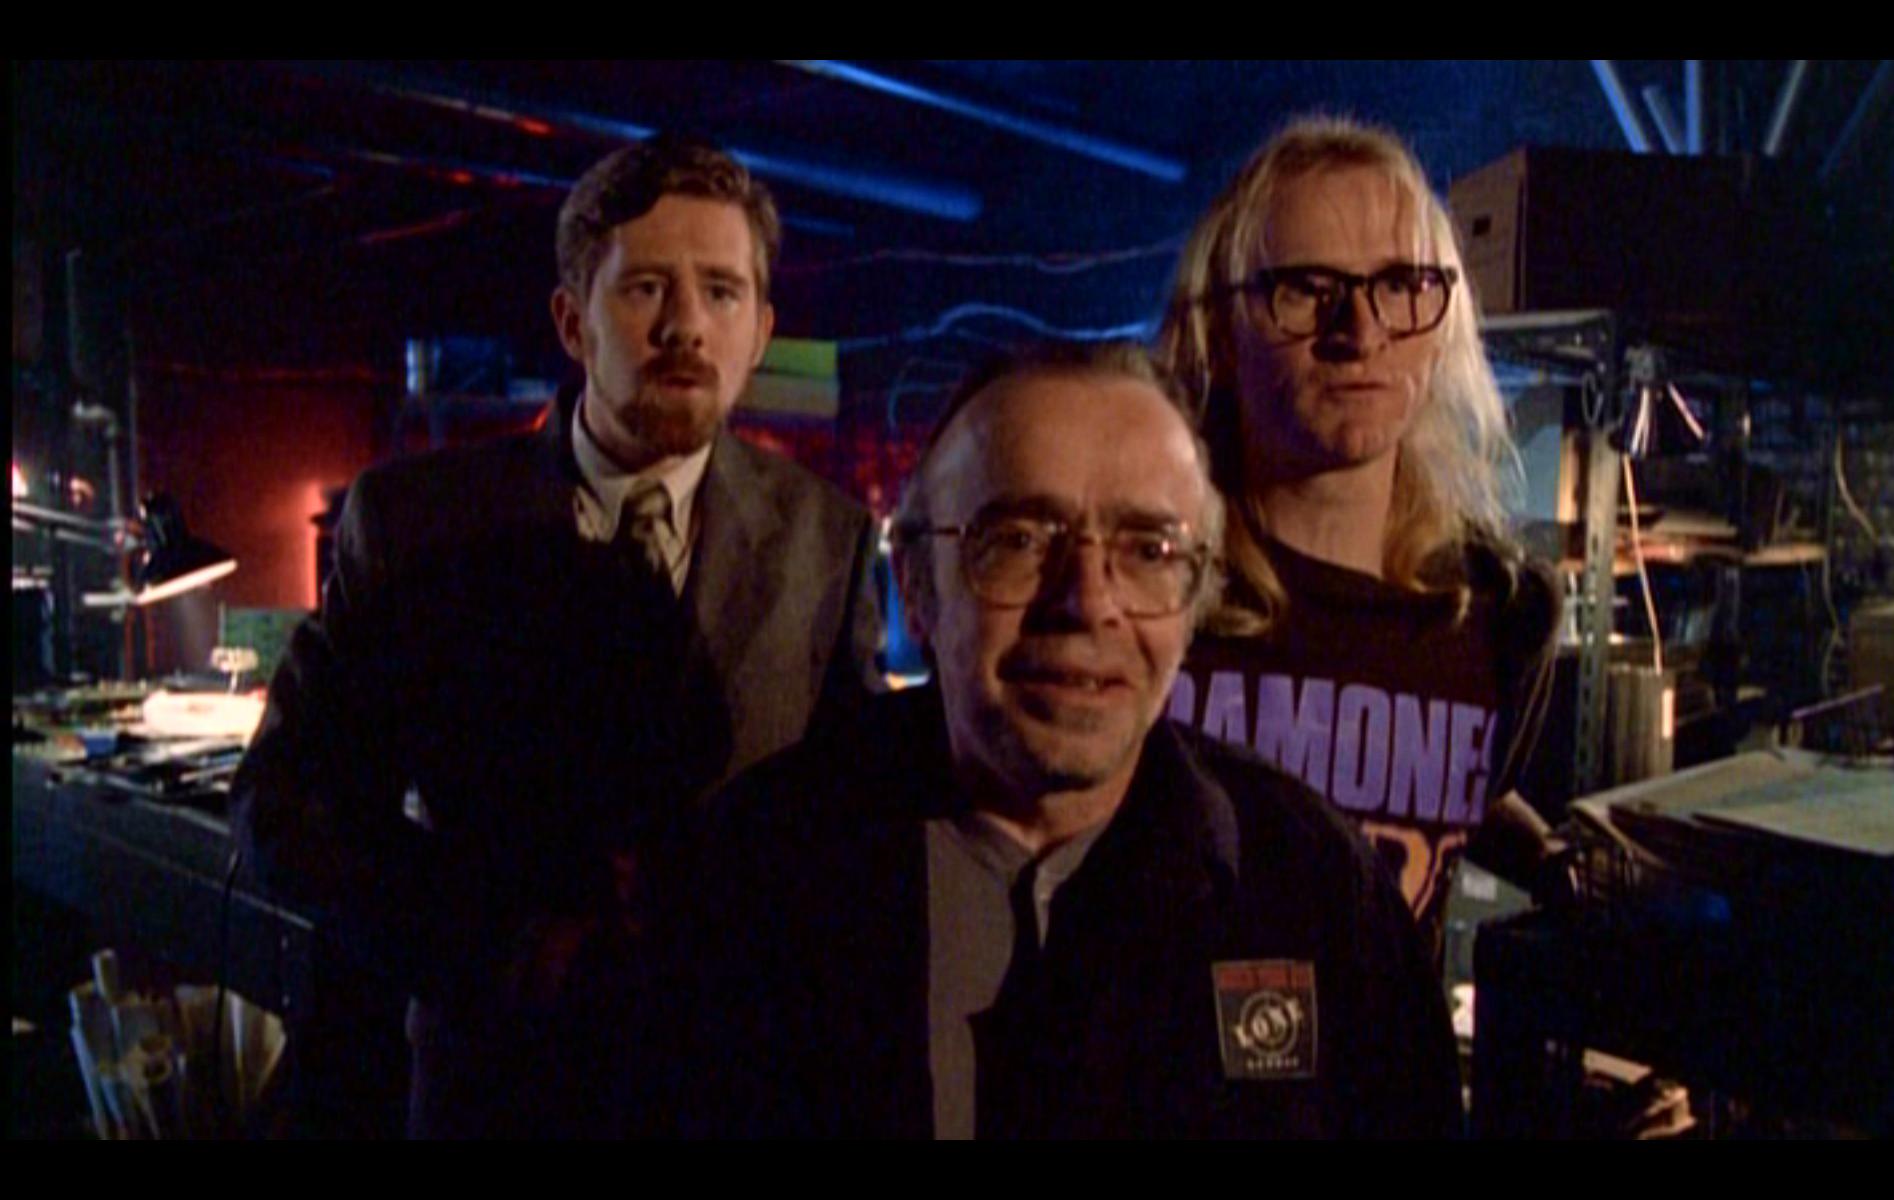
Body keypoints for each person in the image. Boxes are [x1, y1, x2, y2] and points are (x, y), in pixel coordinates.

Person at [637, 343, 1461, 1139]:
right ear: (915, 585)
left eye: (1149, 550)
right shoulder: (745, 879)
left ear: (1197, 598)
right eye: (1020, 540)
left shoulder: (1316, 889)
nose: (1088, 602)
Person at [232, 138, 880, 1138]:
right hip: (498, 1082)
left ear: (760, 331)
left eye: (721, 292)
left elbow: (857, 812)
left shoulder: (826, 535)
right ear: (573, 322)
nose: (686, 326)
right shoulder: (415, 522)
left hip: (740, 1088)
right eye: (647, 288)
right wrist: (499, 946)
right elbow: (287, 801)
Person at [1157, 116, 1563, 953]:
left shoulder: (1500, 614)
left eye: (1402, 284)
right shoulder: (1145, 599)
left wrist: (1562, 864)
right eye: (1308, 289)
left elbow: (1456, 799)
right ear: (1220, 333)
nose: (1362, 332)